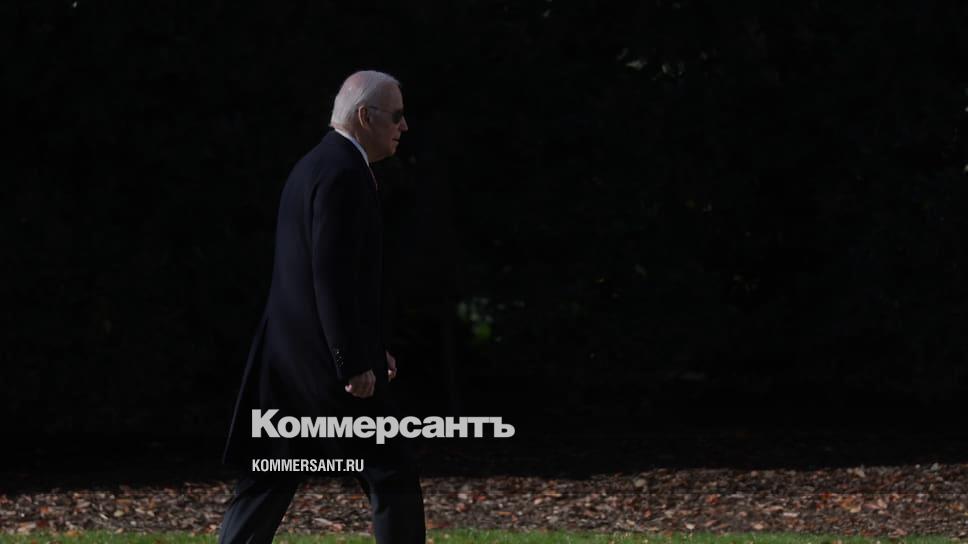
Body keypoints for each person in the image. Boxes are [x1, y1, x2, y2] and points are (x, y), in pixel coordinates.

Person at [218, 70, 425, 544]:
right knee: (391, 472)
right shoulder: (343, 173)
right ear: (365, 116)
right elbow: (330, 276)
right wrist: (352, 358)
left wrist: (367, 346)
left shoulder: (315, 165)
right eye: (396, 115)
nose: (404, 126)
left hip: (290, 357)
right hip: (324, 364)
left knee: (270, 474)